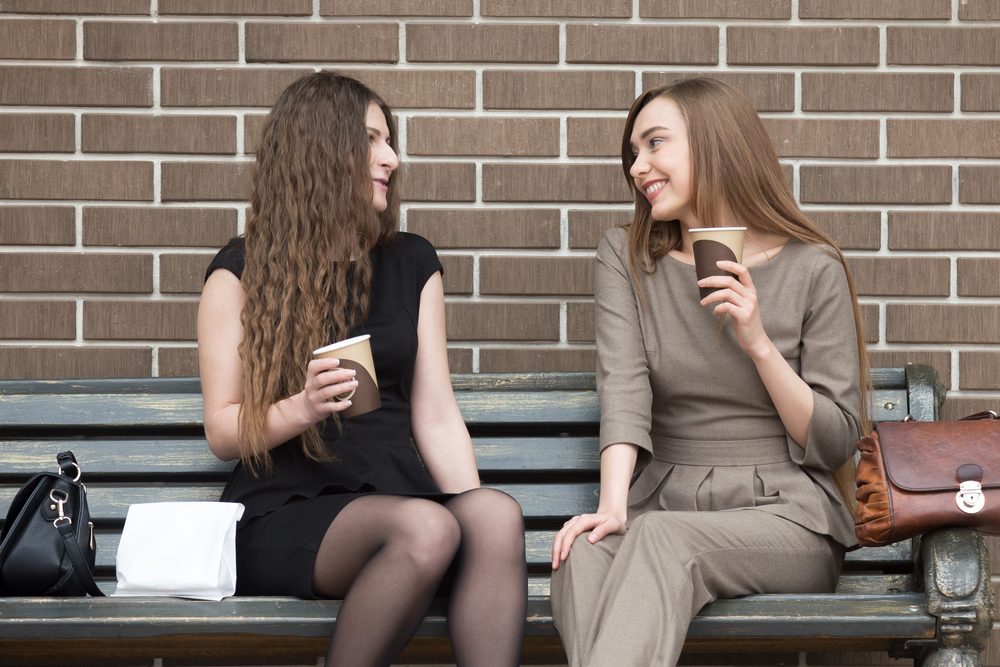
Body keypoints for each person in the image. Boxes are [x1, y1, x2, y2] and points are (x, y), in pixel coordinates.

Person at [197, 72, 527, 667]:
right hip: (287, 510)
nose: (392, 159)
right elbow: (223, 432)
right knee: (426, 529)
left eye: (390, 141)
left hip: (405, 504)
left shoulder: (412, 262)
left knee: (494, 516)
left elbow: (437, 416)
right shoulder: (238, 272)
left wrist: (471, 520)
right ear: (322, 149)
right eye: (373, 140)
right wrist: (303, 406)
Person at [549, 77, 870, 666]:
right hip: (664, 500)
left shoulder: (813, 266)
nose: (638, 166)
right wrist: (613, 505)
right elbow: (623, 384)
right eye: (633, 152)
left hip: (786, 515)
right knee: (586, 551)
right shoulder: (625, 256)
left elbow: (834, 441)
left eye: (655, 144)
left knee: (659, 539)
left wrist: (759, 344)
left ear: (713, 145)